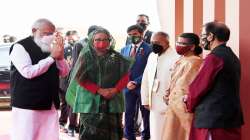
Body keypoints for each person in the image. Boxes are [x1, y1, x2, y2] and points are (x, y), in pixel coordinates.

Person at [66, 27, 132, 140]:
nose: (101, 43)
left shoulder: (116, 57)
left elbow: (126, 76)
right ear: (92, 40)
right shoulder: (86, 56)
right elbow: (79, 77)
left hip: (112, 101)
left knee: (112, 133)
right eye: (98, 39)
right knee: (90, 133)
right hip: (90, 102)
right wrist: (99, 90)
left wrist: (115, 90)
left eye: (105, 39)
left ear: (110, 41)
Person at [9, 18, 69, 140]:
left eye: (52, 33)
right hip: (28, 105)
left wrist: (61, 57)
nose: (50, 37)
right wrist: (52, 57)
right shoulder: (19, 47)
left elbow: (64, 72)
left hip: (49, 104)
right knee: (26, 136)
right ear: (34, 30)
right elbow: (28, 72)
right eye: (46, 33)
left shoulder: (49, 48)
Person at [186, 22, 244, 140]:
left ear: (211, 36)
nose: (201, 39)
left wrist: (188, 101)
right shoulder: (233, 57)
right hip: (230, 118)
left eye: (203, 35)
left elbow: (198, 88)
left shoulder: (214, 58)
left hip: (213, 120)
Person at [161, 33, 203, 140]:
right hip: (174, 104)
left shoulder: (195, 61)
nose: (178, 45)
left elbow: (185, 85)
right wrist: (168, 92)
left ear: (193, 47)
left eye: (182, 43)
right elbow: (174, 81)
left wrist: (173, 96)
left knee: (182, 134)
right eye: (178, 42)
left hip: (183, 107)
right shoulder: (183, 59)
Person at [140, 32, 179, 140]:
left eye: (157, 42)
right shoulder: (152, 56)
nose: (153, 44)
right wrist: (145, 99)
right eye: (152, 42)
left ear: (167, 42)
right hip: (154, 102)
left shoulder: (176, 57)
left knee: (169, 133)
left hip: (170, 103)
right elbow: (146, 78)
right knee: (156, 132)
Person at [121, 24, 152, 140]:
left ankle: (146, 136)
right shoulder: (124, 49)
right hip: (128, 87)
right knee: (128, 114)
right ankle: (129, 136)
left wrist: (136, 82)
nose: (132, 37)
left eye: (135, 34)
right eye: (129, 35)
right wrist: (127, 82)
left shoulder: (150, 49)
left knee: (146, 114)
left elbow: (150, 69)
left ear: (141, 35)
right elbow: (122, 68)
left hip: (143, 86)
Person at [59, 30, 80, 136]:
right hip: (64, 80)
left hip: (74, 81)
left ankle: (72, 125)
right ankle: (62, 123)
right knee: (64, 103)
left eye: (74, 37)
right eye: (70, 37)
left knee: (73, 104)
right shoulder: (64, 49)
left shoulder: (80, 47)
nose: (73, 39)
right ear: (67, 38)